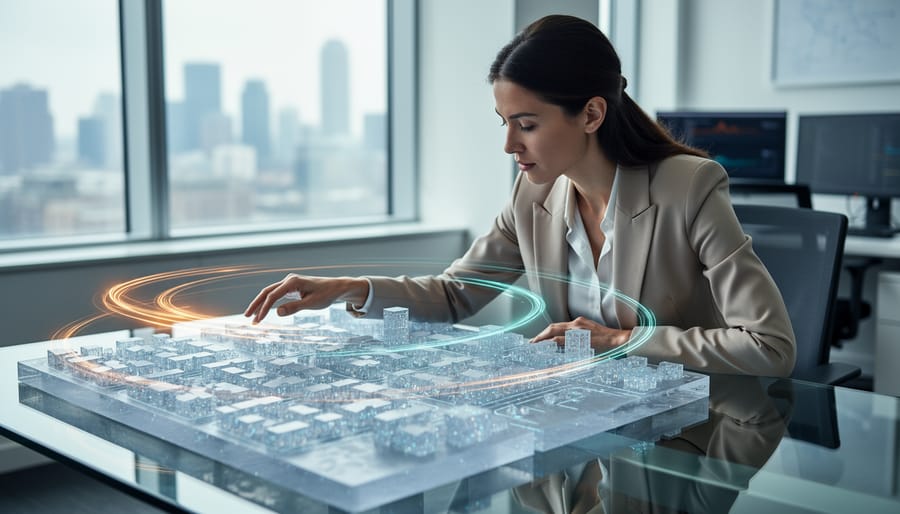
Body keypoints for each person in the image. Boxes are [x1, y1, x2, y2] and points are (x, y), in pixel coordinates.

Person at [245, 14, 796, 377]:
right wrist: (353, 286)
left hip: (686, 432)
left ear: (592, 114)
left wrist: (613, 340)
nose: (509, 144)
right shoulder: (532, 198)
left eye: (526, 124)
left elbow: (769, 346)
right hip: (576, 419)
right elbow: (457, 294)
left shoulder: (689, 187)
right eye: (504, 122)